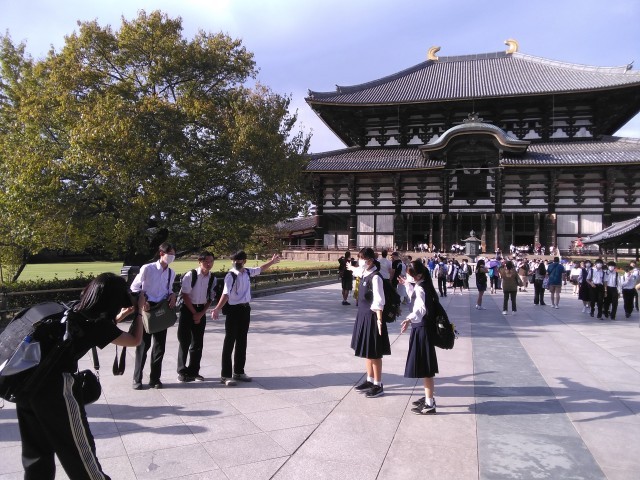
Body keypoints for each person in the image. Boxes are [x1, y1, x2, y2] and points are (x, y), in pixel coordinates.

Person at [16, 273, 142, 480]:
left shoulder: (72, 309)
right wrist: (139, 312)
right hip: (56, 391)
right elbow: (134, 340)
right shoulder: (97, 325)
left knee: (37, 456)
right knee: (80, 455)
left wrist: (122, 314)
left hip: (27, 386)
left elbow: (99, 330)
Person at [211, 251, 280, 385]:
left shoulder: (247, 272)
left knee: (242, 341)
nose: (236, 263)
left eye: (238, 260)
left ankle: (239, 372)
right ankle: (225, 375)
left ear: (244, 261)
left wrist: (272, 262)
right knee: (229, 341)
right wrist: (217, 308)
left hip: (245, 309)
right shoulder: (230, 276)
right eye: (234, 260)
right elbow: (225, 294)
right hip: (233, 310)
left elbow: (260, 269)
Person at [130, 242, 177, 390]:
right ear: (161, 253)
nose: (172, 256)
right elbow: (134, 287)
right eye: (170, 254)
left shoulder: (171, 272)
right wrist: (143, 299)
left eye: (174, 254)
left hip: (161, 310)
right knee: (143, 345)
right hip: (147, 308)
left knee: (159, 347)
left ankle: (155, 378)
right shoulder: (148, 268)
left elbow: (168, 289)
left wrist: (173, 295)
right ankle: (137, 378)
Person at [399, 260, 439, 414]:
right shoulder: (421, 285)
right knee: (424, 366)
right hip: (421, 328)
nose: (408, 277)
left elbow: (421, 308)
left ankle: (430, 403)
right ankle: (428, 398)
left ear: (418, 275)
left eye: (410, 275)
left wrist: (409, 319)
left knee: (426, 368)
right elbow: (415, 299)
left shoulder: (421, 288)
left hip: (422, 329)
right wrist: (407, 284)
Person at [352, 247, 389, 398]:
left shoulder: (376, 277)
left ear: (370, 260)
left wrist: (379, 320)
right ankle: (369, 379)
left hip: (373, 317)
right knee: (368, 351)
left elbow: (379, 300)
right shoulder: (364, 273)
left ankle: (378, 384)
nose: (360, 261)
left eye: (362, 259)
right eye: (359, 258)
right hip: (363, 315)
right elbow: (356, 271)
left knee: (375, 352)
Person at [176, 251, 217, 382]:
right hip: (187, 309)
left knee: (198, 342)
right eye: (206, 261)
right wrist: (195, 313)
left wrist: (201, 313)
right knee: (184, 341)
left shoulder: (213, 278)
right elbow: (185, 295)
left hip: (201, 309)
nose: (209, 264)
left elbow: (211, 297)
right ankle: (182, 371)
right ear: (199, 262)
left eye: (211, 261)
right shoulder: (191, 275)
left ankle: (194, 371)